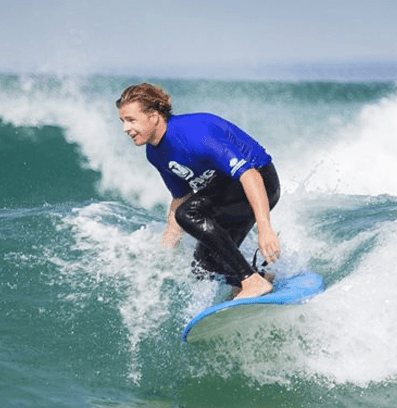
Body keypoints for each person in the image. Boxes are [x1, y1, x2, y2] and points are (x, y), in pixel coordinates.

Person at [116, 83, 281, 300]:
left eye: (131, 120)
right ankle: (259, 278)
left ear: (154, 116)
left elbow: (250, 175)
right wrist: (167, 243)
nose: (125, 128)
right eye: (123, 121)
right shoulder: (155, 153)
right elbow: (180, 196)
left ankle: (251, 282)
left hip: (261, 183)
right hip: (227, 191)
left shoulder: (196, 136)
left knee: (189, 213)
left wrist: (265, 229)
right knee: (203, 265)